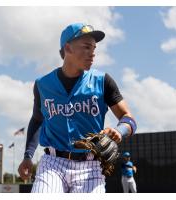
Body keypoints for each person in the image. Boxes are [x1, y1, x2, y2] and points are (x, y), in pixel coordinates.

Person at [18, 22, 137, 193]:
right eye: (87, 47)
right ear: (68, 48)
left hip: (90, 165)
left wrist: (120, 131)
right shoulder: (42, 85)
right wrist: (28, 156)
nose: (93, 53)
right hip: (53, 163)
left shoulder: (102, 81)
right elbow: (37, 120)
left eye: (94, 48)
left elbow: (128, 118)